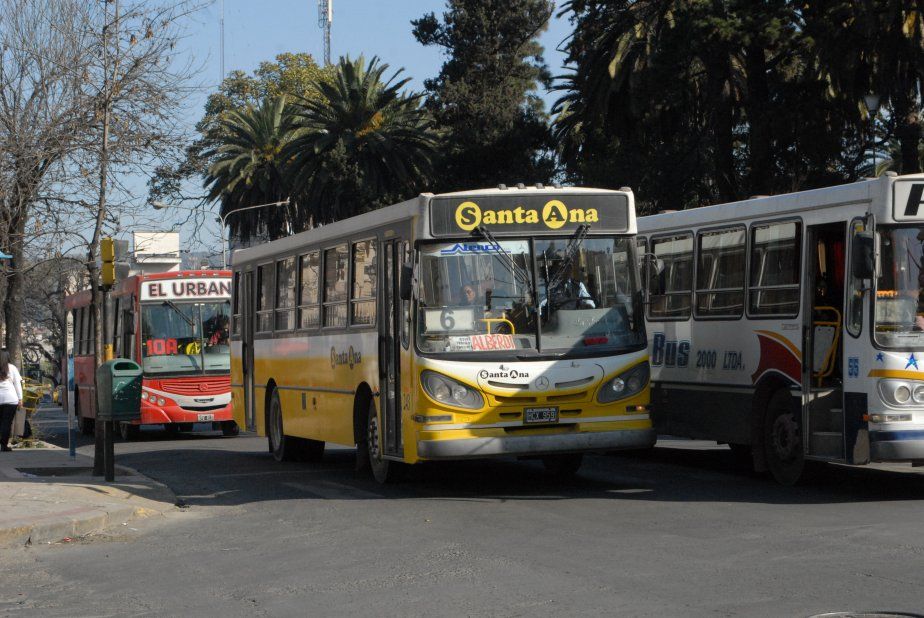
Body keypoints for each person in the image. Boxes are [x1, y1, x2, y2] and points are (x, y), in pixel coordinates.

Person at [0, 350, 23, 452]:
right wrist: (20, 399)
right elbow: (17, 384)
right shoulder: (12, 368)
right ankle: (4, 446)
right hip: (11, 399)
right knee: (7, 423)